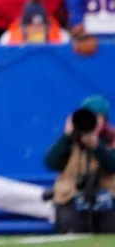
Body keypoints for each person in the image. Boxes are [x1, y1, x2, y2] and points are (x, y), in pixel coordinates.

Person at [44, 95, 115, 233]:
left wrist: (97, 146)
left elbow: (113, 165)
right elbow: (51, 163)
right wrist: (67, 136)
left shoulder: (111, 139)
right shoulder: (70, 140)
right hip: (71, 198)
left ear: (104, 120)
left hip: (107, 199)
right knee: (71, 226)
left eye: (96, 117)